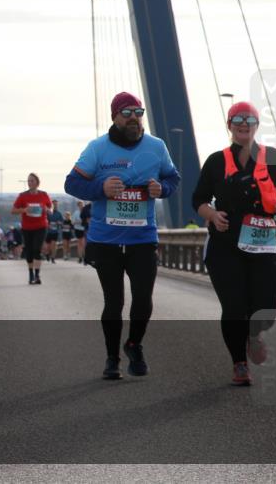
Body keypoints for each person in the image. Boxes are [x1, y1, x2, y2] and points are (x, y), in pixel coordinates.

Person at [65, 92, 180, 380]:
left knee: (143, 299)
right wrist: (100, 189)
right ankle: (112, 357)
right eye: (127, 112)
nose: (134, 118)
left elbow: (172, 178)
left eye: (138, 112)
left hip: (142, 239)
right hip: (106, 241)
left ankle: (134, 344)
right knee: (113, 302)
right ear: (115, 116)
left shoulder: (157, 146)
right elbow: (72, 182)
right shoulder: (98, 148)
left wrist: (162, 189)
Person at [192, 101, 276, 386]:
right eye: (237, 119)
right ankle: (239, 363)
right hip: (225, 244)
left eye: (249, 119)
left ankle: (254, 333)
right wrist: (212, 214)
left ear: (256, 125)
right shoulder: (216, 161)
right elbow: (198, 200)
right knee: (234, 306)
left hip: (263, 243)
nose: (243, 123)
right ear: (229, 125)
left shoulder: (272, 156)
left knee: (266, 307)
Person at [12, 173, 52, 284]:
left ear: (37, 183)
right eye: (28, 181)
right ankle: (31, 274)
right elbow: (13, 210)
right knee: (29, 251)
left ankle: (37, 275)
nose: (30, 183)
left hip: (41, 226)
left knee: (37, 250)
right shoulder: (22, 196)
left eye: (32, 181)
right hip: (27, 227)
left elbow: (50, 208)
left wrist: (47, 209)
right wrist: (24, 210)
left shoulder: (44, 195)